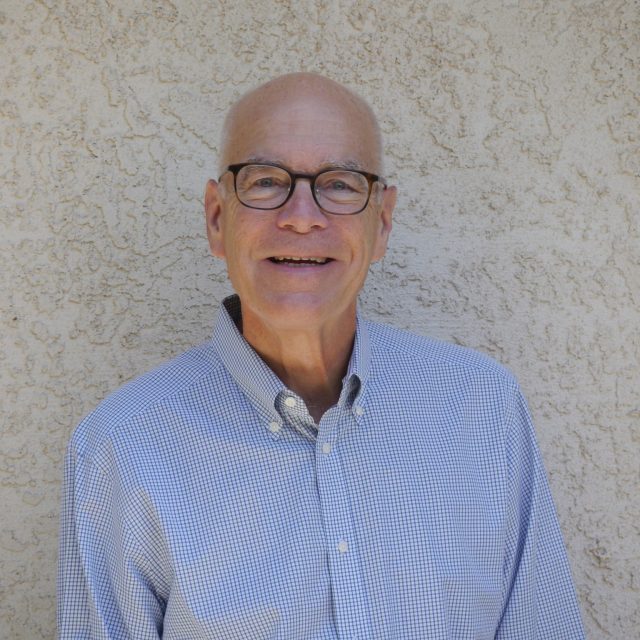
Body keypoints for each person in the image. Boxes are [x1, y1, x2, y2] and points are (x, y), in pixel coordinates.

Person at [58, 72, 586, 639]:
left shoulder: (482, 408)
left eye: (339, 184)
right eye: (264, 182)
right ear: (217, 219)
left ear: (381, 223)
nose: (303, 216)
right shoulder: (122, 447)